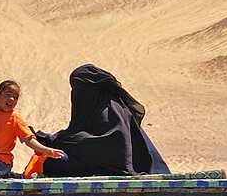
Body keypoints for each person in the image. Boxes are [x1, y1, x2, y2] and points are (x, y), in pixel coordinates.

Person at [34, 64, 170, 176]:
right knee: (50, 158)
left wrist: (57, 141)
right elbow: (80, 136)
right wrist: (53, 140)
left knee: (53, 163)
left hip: (118, 170)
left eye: (78, 88)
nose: (76, 94)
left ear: (91, 88)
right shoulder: (100, 106)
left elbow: (97, 147)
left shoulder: (113, 114)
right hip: (105, 165)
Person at [0, 79, 65, 178]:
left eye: (15, 97)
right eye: (8, 95)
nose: (12, 99)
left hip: (2, 162)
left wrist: (46, 150)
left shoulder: (14, 118)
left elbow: (29, 139)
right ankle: (6, 179)